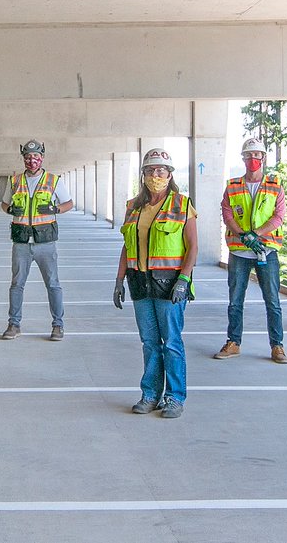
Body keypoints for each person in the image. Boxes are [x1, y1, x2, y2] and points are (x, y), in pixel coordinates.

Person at [112, 148, 198, 419]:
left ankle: (174, 397)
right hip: (140, 283)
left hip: (170, 284)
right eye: (150, 170)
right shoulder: (133, 207)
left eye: (161, 170)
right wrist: (119, 280)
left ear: (170, 174)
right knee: (149, 342)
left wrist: (184, 280)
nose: (155, 175)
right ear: (144, 175)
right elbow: (127, 246)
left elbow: (193, 247)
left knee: (171, 342)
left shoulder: (182, 205)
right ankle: (150, 394)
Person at [214, 137, 287, 363]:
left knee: (272, 301)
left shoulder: (275, 186)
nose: (252, 159)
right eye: (248, 156)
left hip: (267, 250)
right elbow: (227, 214)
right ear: (243, 159)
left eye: (256, 155)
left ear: (263, 158)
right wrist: (243, 235)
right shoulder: (233, 186)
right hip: (239, 252)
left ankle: (277, 346)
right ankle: (233, 342)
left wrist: (256, 234)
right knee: (235, 300)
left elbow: (278, 217)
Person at [1, 139, 75, 341]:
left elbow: (69, 203)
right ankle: (13, 324)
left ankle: (58, 326)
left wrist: (55, 209)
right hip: (22, 242)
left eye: (35, 156)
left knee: (53, 285)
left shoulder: (53, 180)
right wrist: (10, 210)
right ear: (23, 158)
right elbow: (4, 204)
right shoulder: (14, 181)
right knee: (17, 284)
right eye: (27, 157)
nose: (31, 160)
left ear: (42, 157)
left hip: (45, 242)